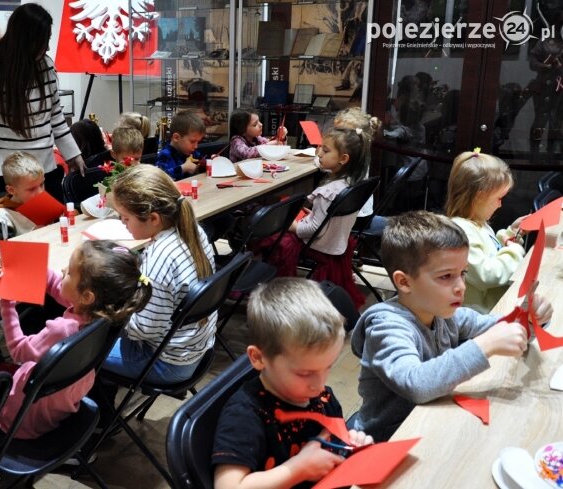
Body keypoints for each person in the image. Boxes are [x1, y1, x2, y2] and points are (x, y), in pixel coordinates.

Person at [349, 211, 553, 441]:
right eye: (446, 276)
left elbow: (505, 329)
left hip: (429, 425)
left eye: (462, 273)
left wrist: (531, 318)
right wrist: (484, 345)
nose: (461, 287)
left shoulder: (446, 314)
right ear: (404, 282)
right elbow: (416, 384)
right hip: (385, 439)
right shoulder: (386, 328)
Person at [212, 278, 374, 489]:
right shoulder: (245, 415)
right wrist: (298, 469)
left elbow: (330, 444)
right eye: (305, 373)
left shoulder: (323, 398)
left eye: (328, 367)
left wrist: (348, 445)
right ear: (259, 358)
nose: (318, 385)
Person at [0, 240, 151, 439]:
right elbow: (57, 287)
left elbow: (18, 350)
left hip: (21, 418)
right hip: (59, 406)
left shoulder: (62, 330)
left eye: (68, 272)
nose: (62, 271)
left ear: (86, 296)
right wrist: (29, 266)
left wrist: (7, 304)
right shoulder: (104, 313)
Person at [102, 165, 215, 383]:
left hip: (167, 362)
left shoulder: (159, 258)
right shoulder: (193, 231)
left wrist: (109, 307)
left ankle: (99, 412)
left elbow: (143, 330)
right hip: (197, 348)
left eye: (125, 218)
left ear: (153, 219)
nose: (123, 225)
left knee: (76, 354)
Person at [0, 3, 82, 202]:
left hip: (45, 170)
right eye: (42, 40)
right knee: (17, 231)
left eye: (47, 39)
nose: (47, 47)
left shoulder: (46, 65)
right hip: (8, 176)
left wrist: (73, 154)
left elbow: (55, 116)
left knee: (54, 227)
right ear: (26, 40)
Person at [264, 126, 371, 307]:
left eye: (326, 150)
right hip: (337, 240)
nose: (319, 153)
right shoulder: (351, 184)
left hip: (320, 243)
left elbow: (313, 230)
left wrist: (291, 225)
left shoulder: (328, 192)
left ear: (344, 159)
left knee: (272, 237)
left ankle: (274, 292)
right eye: (320, 147)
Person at [445, 151, 526, 313]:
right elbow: (487, 275)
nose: (500, 205)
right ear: (479, 197)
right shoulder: (460, 233)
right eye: (499, 198)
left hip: (491, 309)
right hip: (477, 318)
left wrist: (511, 234)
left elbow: (490, 249)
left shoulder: (478, 223)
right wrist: (515, 251)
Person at [0, 152, 45, 243]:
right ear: (11, 190)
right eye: (31, 189)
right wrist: (33, 235)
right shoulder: (3, 215)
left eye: (42, 184)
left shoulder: (42, 201)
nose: (40, 192)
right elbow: (3, 250)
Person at [332, 107, 381, 221]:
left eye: (339, 132)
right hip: (363, 211)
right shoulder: (362, 148)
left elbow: (322, 165)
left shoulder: (349, 155)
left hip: (352, 216)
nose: (335, 135)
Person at [155, 110, 205, 180]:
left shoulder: (192, 153)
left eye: (198, 142)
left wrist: (210, 162)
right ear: (176, 137)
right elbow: (159, 178)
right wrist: (183, 168)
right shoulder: (165, 154)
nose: (196, 146)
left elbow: (202, 162)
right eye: (192, 141)